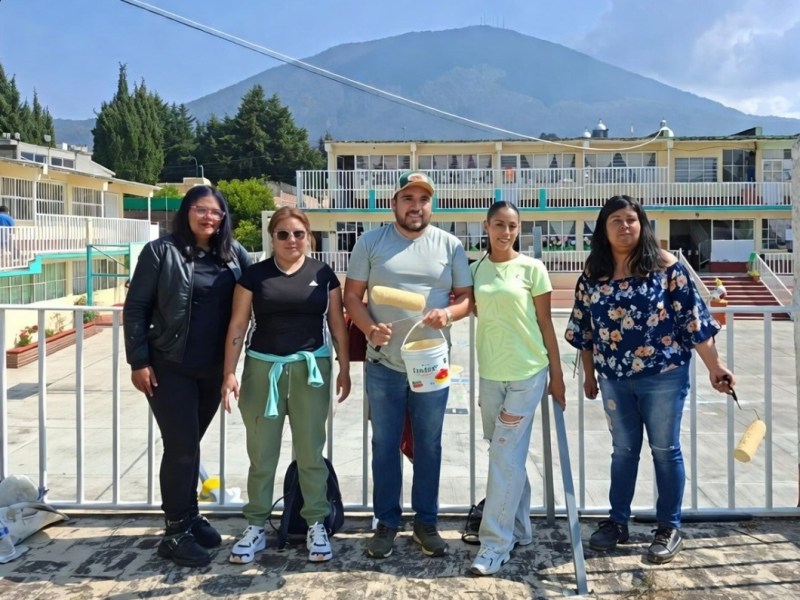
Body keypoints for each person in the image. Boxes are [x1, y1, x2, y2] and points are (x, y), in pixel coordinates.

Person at [565, 195, 735, 564]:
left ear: (641, 224)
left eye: (631, 219)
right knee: (623, 452)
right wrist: (589, 375)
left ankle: (668, 527)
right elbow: (585, 329)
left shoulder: (666, 266)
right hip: (613, 379)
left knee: (665, 450)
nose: (625, 226)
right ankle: (616, 522)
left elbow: (694, 321)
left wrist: (714, 367)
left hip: (664, 377)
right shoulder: (593, 273)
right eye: (616, 221)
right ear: (603, 229)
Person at [343, 170, 473, 559]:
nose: (416, 207)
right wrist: (368, 329)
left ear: (431, 205)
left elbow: (466, 298)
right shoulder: (371, 242)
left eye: (423, 200)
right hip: (383, 363)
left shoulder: (449, 245)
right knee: (384, 446)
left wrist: (447, 315)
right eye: (408, 199)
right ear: (394, 204)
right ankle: (386, 523)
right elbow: (352, 296)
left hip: (431, 364)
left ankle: (426, 523)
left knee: (429, 446)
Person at [123, 185, 252, 567]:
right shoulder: (160, 252)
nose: (209, 217)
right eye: (201, 210)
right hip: (169, 366)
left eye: (216, 212)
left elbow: (260, 286)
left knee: (190, 445)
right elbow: (137, 309)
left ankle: (190, 515)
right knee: (180, 448)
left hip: (213, 369)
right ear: (187, 212)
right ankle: (175, 530)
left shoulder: (233, 254)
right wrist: (138, 361)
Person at [222, 206, 351, 564]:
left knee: (311, 454)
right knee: (262, 455)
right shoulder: (254, 275)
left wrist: (343, 368)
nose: (291, 240)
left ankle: (316, 524)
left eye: (298, 233)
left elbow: (337, 323)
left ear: (308, 236)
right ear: (272, 238)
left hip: (311, 370)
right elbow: (237, 326)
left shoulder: (323, 274)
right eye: (283, 234)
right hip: (264, 371)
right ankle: (256, 525)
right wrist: (229, 373)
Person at [469, 201, 567, 576]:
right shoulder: (475, 269)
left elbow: (545, 323)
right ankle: (522, 528)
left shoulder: (532, 269)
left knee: (504, 455)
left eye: (511, 226)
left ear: (518, 229)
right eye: (498, 225)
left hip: (528, 373)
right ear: (487, 226)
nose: (505, 232)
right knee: (505, 455)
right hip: (491, 375)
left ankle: (495, 543)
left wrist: (556, 375)